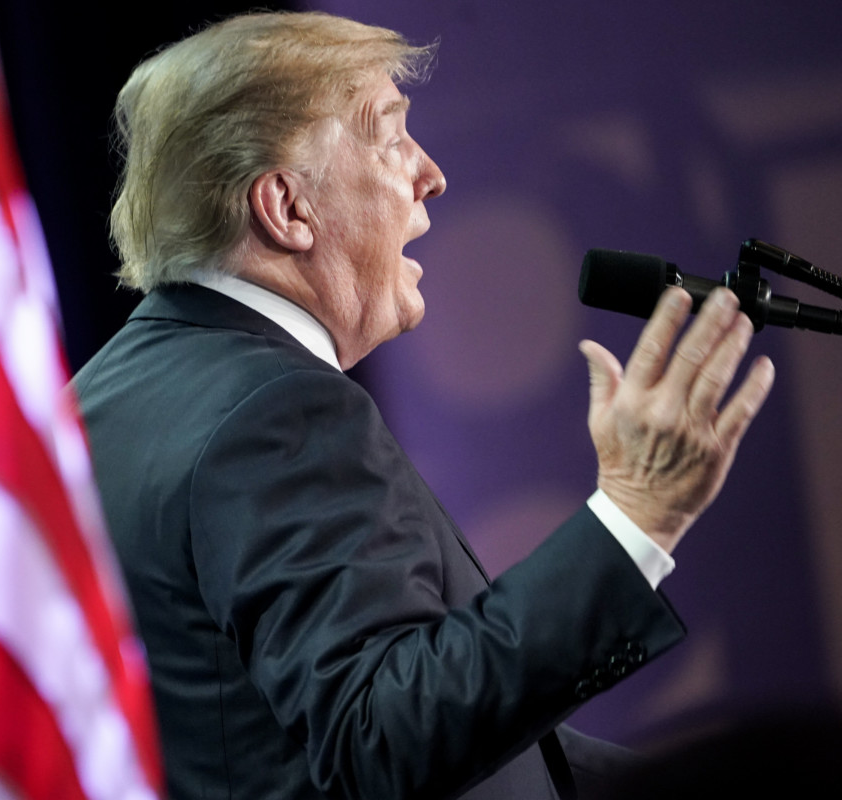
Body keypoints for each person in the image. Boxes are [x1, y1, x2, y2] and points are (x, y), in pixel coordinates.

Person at [71, 10, 775, 800]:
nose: (430, 172)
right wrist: (636, 512)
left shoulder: (93, 405)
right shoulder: (281, 411)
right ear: (286, 208)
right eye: (390, 134)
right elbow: (385, 738)